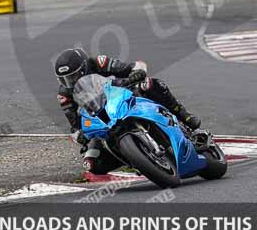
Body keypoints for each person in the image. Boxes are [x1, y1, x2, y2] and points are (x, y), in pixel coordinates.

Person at [54, 48, 202, 173]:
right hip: (101, 117)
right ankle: (134, 159)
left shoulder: (98, 62)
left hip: (121, 93)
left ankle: (183, 115)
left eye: (73, 76)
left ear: (84, 67)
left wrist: (135, 73)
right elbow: (75, 123)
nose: (70, 82)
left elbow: (127, 68)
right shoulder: (64, 95)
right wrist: (80, 136)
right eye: (65, 79)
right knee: (91, 163)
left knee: (150, 84)